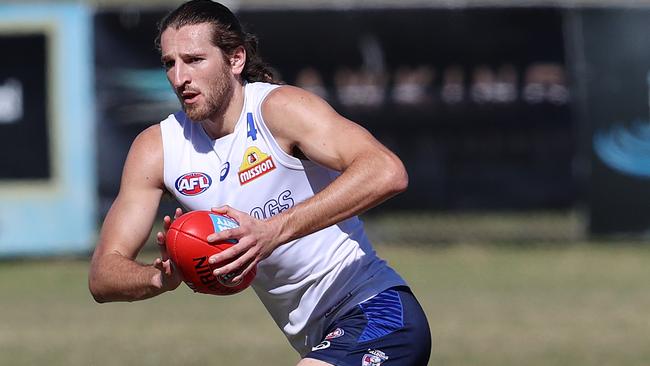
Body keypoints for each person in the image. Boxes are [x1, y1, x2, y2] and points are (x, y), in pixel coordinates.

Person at [88, 1, 431, 365]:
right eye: (169, 63)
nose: (178, 78)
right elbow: (103, 275)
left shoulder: (279, 110)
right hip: (320, 338)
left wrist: (274, 230)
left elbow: (386, 171)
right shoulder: (158, 148)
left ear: (236, 59)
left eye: (194, 60)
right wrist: (160, 277)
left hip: (378, 310)